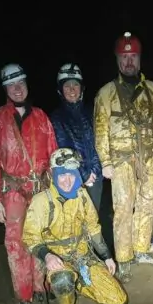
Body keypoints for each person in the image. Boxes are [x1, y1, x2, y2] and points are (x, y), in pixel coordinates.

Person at [0, 63, 58, 304]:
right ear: (5, 89)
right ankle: (24, 296)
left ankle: (40, 287)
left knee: (40, 236)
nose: (17, 89)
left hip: (39, 189)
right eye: (11, 85)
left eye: (21, 83)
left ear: (27, 84)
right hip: (13, 191)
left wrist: (55, 189)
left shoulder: (41, 117)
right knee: (16, 244)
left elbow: (53, 154)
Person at [22, 148, 128, 304]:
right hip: (59, 260)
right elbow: (30, 237)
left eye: (71, 174)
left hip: (83, 256)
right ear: (53, 174)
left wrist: (106, 256)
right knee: (63, 279)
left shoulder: (82, 195)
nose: (67, 180)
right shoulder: (41, 201)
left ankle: (78, 283)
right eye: (62, 175)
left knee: (118, 300)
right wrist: (47, 256)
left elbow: (93, 227)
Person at [94, 31, 153, 283]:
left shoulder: (152, 89)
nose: (129, 61)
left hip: (149, 158)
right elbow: (100, 130)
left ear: (140, 59)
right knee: (123, 208)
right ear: (117, 60)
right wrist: (105, 162)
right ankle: (124, 258)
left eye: (133, 56)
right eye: (124, 57)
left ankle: (141, 248)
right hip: (121, 161)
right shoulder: (106, 93)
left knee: (148, 204)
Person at [49, 63, 103, 212]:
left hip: (95, 178)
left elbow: (100, 141)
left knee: (93, 218)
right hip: (71, 179)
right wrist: (84, 174)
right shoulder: (56, 118)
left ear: (82, 88)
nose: (72, 90)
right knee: (74, 219)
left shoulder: (92, 112)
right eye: (67, 86)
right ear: (60, 90)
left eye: (75, 85)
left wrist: (96, 171)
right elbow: (63, 149)